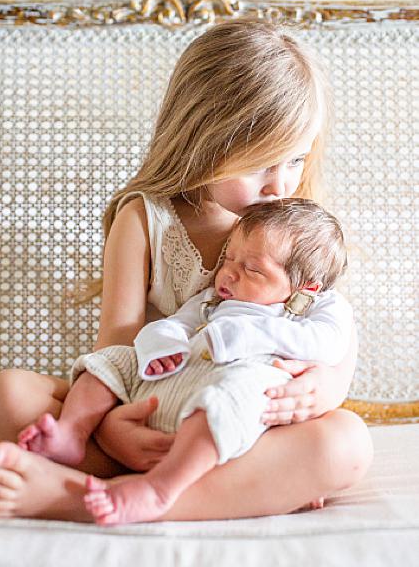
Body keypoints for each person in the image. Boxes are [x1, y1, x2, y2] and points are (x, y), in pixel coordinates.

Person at [0, 20, 373, 522]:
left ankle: (83, 497)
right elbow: (115, 347)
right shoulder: (145, 220)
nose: (281, 184)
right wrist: (110, 427)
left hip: (241, 414)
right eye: (261, 163)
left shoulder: (293, 225)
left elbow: (334, 328)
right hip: (155, 404)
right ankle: (236, 488)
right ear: (203, 138)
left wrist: (327, 388)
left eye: (294, 159)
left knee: (346, 444)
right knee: (4, 399)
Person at [18, 199, 350, 524]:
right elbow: (176, 324)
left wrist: (245, 334)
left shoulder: (315, 309)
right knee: (109, 361)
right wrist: (164, 345)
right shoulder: (211, 300)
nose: (229, 274)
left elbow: (331, 343)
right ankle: (72, 433)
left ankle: (159, 489)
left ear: (306, 288)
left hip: (237, 387)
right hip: (173, 384)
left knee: (235, 403)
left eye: (251, 269)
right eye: (228, 259)